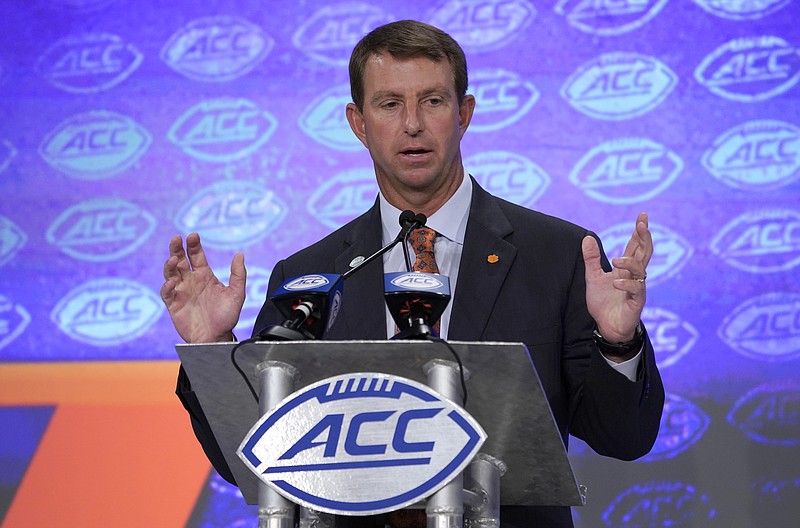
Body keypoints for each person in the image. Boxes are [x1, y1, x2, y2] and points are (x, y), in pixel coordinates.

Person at [162, 20, 664, 528]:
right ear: (358, 123)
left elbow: (624, 437)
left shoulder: (557, 256)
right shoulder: (310, 277)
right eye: (389, 104)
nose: (412, 125)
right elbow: (254, 460)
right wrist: (212, 349)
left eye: (432, 101)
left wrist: (618, 344)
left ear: (464, 114)